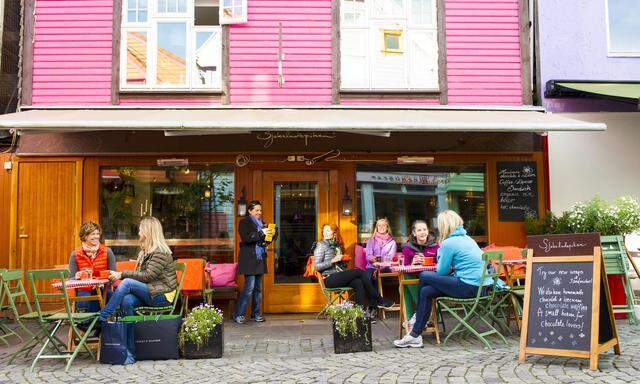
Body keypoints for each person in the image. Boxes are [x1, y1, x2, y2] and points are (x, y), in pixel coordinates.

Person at [394, 210, 490, 348]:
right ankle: (415, 334)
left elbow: (442, 271)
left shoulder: (449, 243)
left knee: (425, 275)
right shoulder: (468, 239)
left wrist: (442, 262)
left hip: (468, 286)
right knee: (426, 291)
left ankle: (417, 316)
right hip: (481, 287)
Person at [98, 216, 177, 322]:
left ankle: (103, 316)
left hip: (162, 296)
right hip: (152, 291)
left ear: (147, 232)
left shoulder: (160, 252)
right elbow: (142, 276)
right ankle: (132, 333)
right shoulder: (146, 251)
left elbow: (148, 276)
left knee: (127, 283)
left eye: (140, 230)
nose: (139, 233)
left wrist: (121, 274)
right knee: (127, 300)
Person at [314, 223, 394, 316]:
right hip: (328, 279)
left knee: (358, 282)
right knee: (358, 271)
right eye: (324, 231)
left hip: (338, 275)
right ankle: (379, 300)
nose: (325, 233)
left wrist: (344, 260)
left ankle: (361, 314)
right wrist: (333, 260)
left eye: (328, 230)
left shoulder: (336, 245)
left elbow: (340, 265)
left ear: (334, 232)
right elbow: (317, 266)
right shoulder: (321, 245)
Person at [234, 200, 276, 324]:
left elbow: (265, 242)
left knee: (258, 289)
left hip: (259, 259)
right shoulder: (244, 222)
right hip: (249, 259)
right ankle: (239, 315)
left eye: (260, 210)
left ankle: (256, 314)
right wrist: (260, 232)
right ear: (250, 211)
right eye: (257, 210)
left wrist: (272, 235)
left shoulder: (262, 223)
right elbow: (246, 238)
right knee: (249, 288)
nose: (259, 212)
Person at [68, 221, 116, 313]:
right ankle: (90, 324)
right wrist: (78, 276)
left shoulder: (107, 251)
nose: (96, 236)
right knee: (86, 303)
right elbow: (71, 279)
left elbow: (114, 275)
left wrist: (101, 282)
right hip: (84, 291)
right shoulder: (75, 254)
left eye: (98, 234)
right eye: (92, 234)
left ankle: (99, 324)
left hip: (103, 290)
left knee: (115, 299)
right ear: (85, 236)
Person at [364, 218, 397, 285]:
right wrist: (375, 261)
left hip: (386, 267)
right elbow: (368, 256)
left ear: (387, 228)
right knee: (367, 277)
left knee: (378, 275)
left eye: (384, 225)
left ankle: (378, 295)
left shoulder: (392, 242)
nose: (381, 227)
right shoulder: (371, 241)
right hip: (372, 266)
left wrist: (381, 264)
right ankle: (373, 295)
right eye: (379, 225)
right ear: (377, 228)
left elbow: (390, 257)